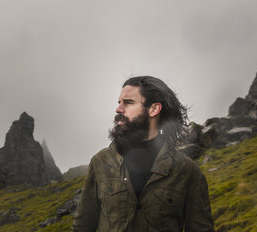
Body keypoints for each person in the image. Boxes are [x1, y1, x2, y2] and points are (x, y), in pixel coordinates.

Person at [72, 76, 215, 232]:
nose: (118, 109)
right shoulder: (101, 161)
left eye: (128, 102)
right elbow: (82, 227)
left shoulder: (187, 171)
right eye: (119, 102)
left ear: (153, 109)